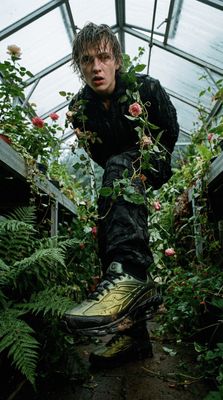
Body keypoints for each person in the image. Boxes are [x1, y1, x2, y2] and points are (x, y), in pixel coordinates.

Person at [64, 22, 179, 367]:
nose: (96, 67)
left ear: (116, 59)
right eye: (87, 60)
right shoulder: (79, 108)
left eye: (102, 57)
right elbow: (95, 154)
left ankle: (128, 274)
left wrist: (142, 162)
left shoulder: (146, 88)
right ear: (79, 65)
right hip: (118, 175)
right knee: (108, 224)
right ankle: (134, 338)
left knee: (117, 171)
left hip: (152, 159)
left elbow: (169, 132)